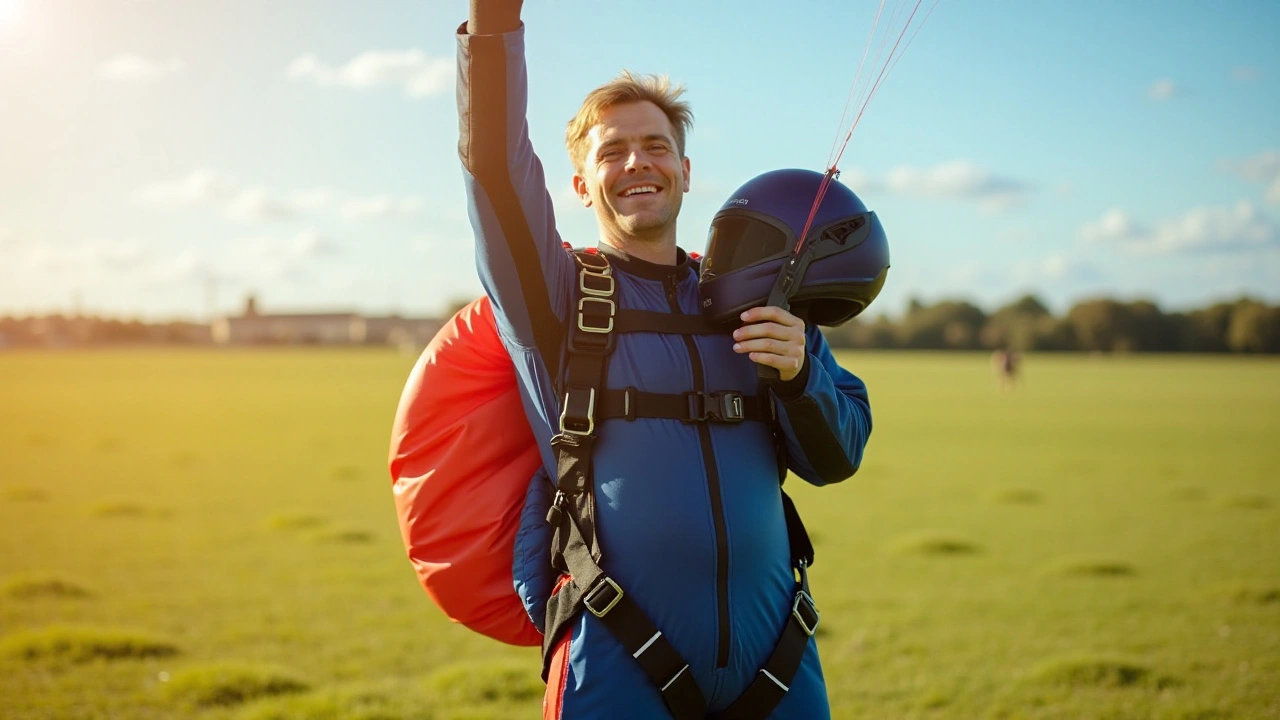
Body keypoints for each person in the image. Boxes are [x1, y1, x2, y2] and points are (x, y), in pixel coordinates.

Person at [456, 2, 872, 717]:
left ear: (683, 170)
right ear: (582, 186)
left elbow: (838, 455)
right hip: (614, 665)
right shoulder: (549, 299)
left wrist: (802, 378)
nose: (635, 163)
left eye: (653, 146)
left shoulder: (760, 293)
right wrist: (493, 26)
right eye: (610, 152)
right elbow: (493, 165)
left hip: (779, 666)